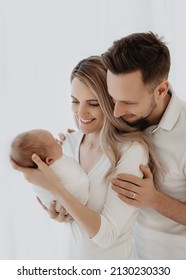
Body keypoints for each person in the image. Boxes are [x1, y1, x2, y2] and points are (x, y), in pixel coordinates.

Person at [11, 56, 159, 260]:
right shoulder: (66, 143)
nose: (81, 112)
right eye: (74, 101)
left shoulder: (130, 151)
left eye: (93, 103)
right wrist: (57, 214)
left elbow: (107, 236)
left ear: (111, 103)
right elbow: (71, 209)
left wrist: (55, 188)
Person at [101, 31, 186, 259]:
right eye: (112, 98)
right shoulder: (123, 119)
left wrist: (154, 199)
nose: (116, 112)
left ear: (160, 90)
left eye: (128, 102)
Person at [10, 129, 89, 212]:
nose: (58, 141)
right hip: (78, 197)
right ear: (50, 160)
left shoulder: (34, 177)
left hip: (58, 208)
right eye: (55, 142)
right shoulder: (58, 167)